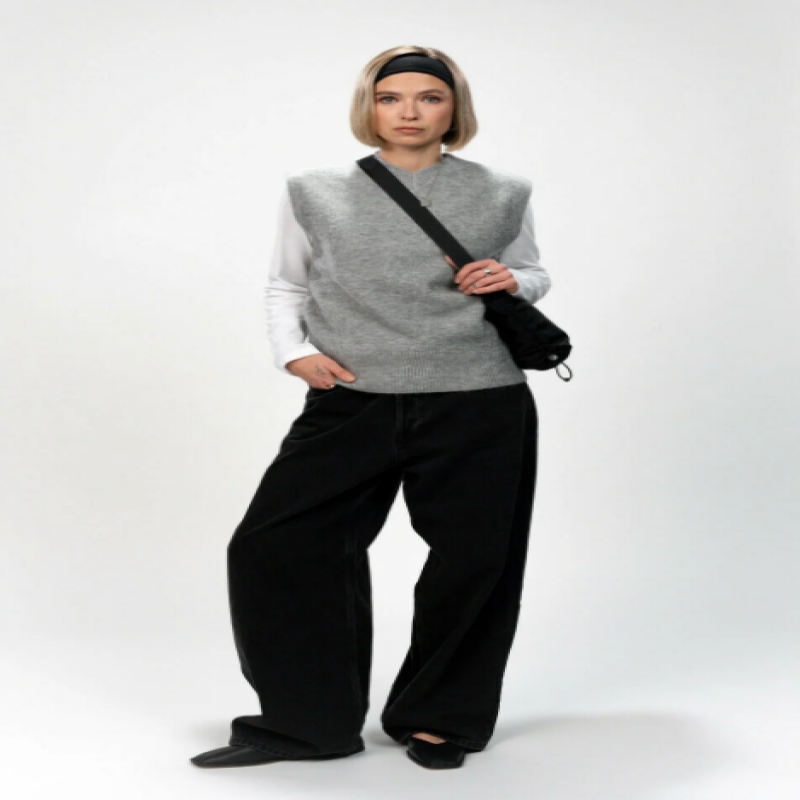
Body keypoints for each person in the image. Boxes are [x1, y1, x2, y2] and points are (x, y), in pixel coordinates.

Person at [190, 45, 552, 772]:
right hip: (350, 397)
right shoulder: (313, 189)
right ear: (371, 106)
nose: (409, 112)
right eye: (391, 98)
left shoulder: (503, 190)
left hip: (478, 398)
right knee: (276, 547)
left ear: (454, 108)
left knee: (474, 564)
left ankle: (441, 720)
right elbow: (287, 282)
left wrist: (511, 280)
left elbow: (533, 271)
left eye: (429, 97)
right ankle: (307, 723)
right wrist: (292, 352)